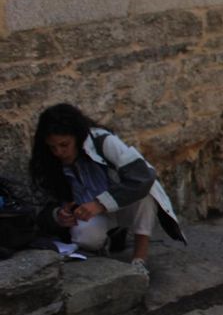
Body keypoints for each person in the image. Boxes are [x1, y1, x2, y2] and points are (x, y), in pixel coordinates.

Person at [29, 103, 186, 275]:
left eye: (64, 144)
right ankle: (108, 242)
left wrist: (100, 204)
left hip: (123, 203)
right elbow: (43, 203)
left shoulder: (103, 141)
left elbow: (143, 177)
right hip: (91, 213)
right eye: (53, 147)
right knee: (84, 236)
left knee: (147, 196)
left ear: (77, 136)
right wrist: (58, 214)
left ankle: (139, 259)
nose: (58, 151)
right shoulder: (48, 160)